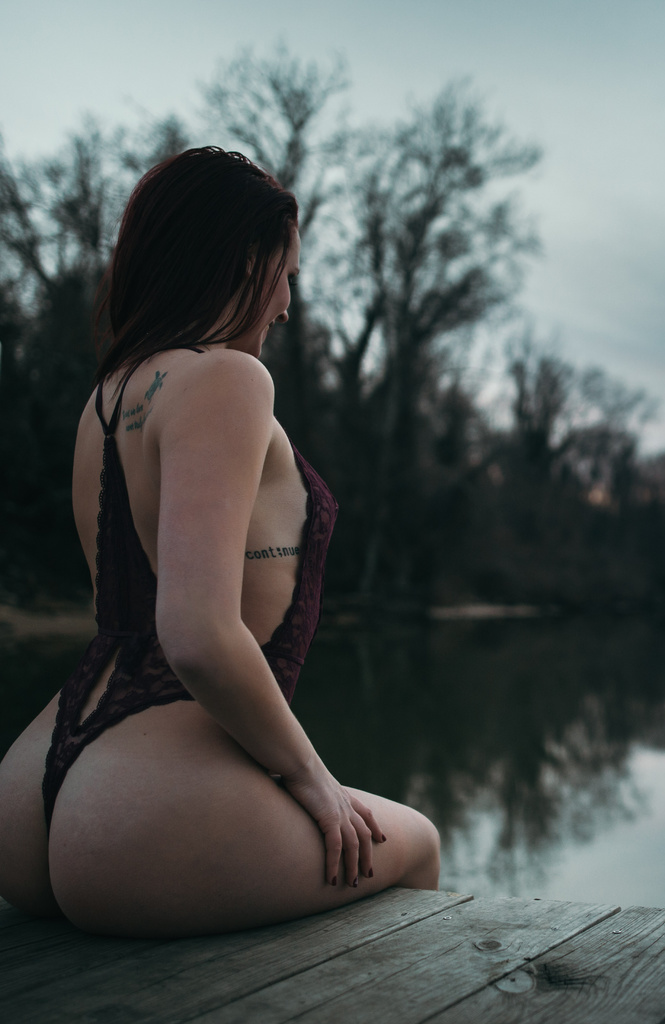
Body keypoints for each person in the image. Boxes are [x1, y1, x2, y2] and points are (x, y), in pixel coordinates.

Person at [0, 148, 440, 938]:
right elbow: (196, 634)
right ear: (245, 261)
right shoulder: (227, 379)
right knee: (416, 845)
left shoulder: (107, 396)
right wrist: (314, 778)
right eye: (287, 276)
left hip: (33, 786)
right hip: (143, 812)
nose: (285, 307)